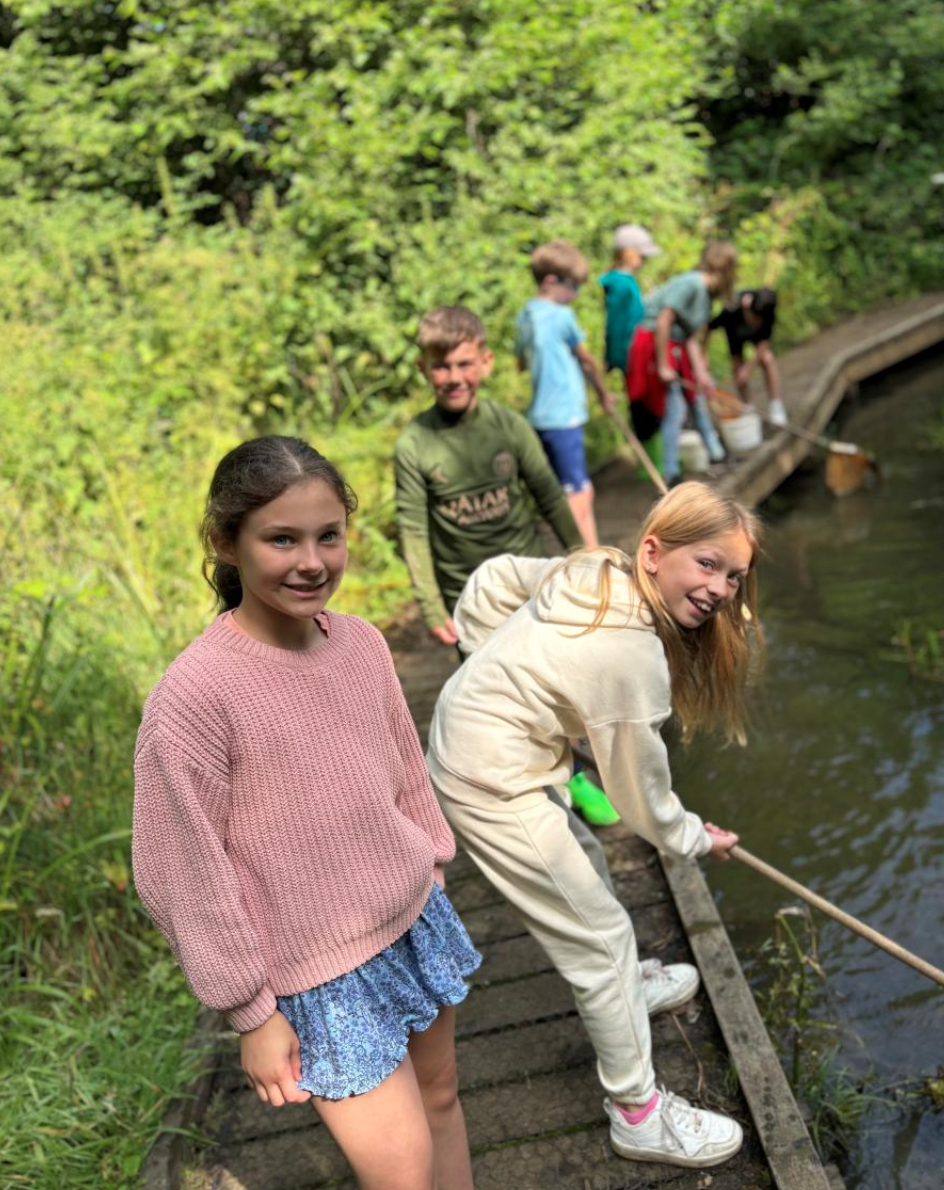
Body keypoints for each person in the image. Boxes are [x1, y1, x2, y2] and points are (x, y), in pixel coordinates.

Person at [132, 436, 481, 1190]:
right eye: (282, 539)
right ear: (225, 542)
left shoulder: (361, 643)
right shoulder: (193, 697)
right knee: (401, 1172)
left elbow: (405, 774)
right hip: (320, 978)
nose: (313, 561)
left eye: (329, 535)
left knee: (442, 1100)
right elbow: (181, 871)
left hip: (413, 921)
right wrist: (252, 1013)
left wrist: (433, 870)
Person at [426, 482, 764, 1169]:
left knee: (587, 862)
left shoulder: (597, 570)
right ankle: (637, 1113)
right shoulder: (632, 659)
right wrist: (697, 838)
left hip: (487, 747)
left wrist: (486, 662)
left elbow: (493, 581)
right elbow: (641, 797)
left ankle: (629, 984)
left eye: (734, 576)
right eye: (707, 564)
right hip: (489, 778)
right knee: (600, 942)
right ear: (653, 552)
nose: (721, 588)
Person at [395, 305, 583, 649]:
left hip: (529, 585)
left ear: (486, 362)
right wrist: (432, 609)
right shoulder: (414, 443)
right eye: (441, 366)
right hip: (466, 599)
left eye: (464, 364)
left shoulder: (510, 426)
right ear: (423, 368)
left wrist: (584, 560)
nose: (454, 377)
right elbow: (414, 531)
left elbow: (550, 497)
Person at [516, 240, 616, 548]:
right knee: (579, 493)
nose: (575, 294)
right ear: (551, 281)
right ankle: (589, 557)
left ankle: (585, 551)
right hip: (564, 415)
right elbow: (587, 359)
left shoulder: (525, 315)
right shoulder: (562, 316)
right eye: (572, 286)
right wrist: (604, 395)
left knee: (565, 489)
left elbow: (521, 362)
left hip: (540, 416)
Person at [627, 241, 736, 486]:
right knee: (674, 409)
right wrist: (663, 365)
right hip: (656, 345)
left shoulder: (705, 295)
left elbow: (691, 338)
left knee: (696, 399)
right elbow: (663, 321)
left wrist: (702, 374)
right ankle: (671, 473)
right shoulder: (691, 284)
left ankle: (716, 453)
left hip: (677, 347)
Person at [599, 224, 664, 477]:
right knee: (642, 406)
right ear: (628, 253)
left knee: (647, 404)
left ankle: (655, 462)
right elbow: (615, 326)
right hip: (632, 358)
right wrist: (613, 358)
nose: (644, 260)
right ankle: (651, 466)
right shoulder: (621, 285)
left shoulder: (627, 282)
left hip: (640, 354)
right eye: (641, 254)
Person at [709, 287, 787, 426]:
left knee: (768, 358)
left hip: (757, 339)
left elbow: (764, 343)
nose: (757, 323)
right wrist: (702, 358)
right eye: (755, 318)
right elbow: (707, 328)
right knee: (738, 370)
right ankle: (748, 407)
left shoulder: (767, 306)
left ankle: (776, 405)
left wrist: (749, 368)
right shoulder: (731, 311)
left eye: (760, 320)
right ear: (747, 308)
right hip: (735, 337)